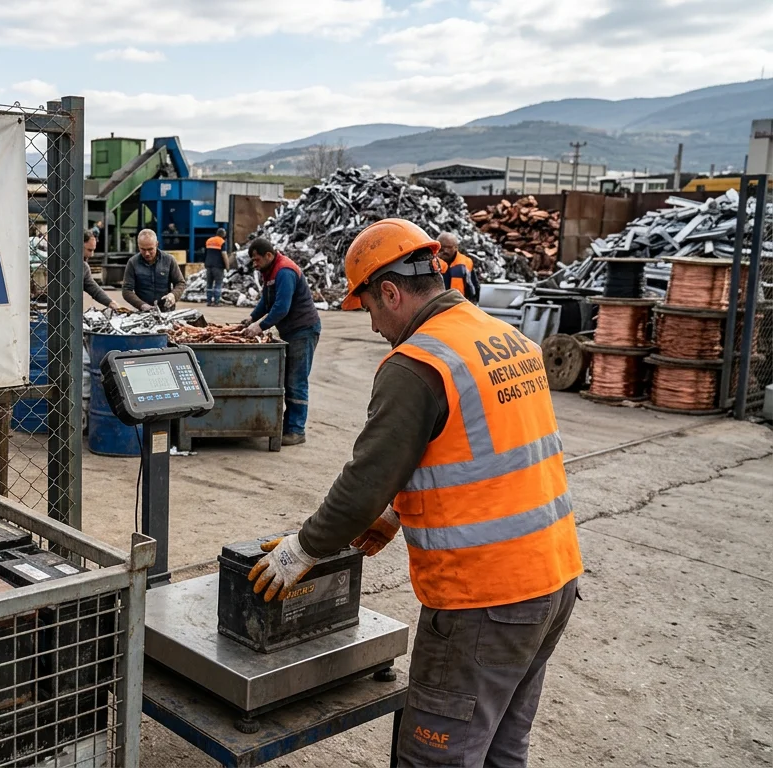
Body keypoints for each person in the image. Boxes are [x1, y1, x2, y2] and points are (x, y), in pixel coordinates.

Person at [248, 219, 581, 767]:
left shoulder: (417, 362)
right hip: (552, 581)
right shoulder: (503, 337)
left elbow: (363, 481)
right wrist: (397, 513)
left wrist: (302, 549)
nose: (375, 326)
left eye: (371, 310)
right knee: (501, 750)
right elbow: (474, 450)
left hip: (484, 600)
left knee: (437, 758)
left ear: (391, 292)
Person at [241, 237, 321, 445]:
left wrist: (259, 327)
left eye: (257, 260)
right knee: (287, 380)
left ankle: (296, 430)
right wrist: (251, 318)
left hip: (303, 331)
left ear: (269, 255)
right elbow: (267, 302)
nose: (255, 265)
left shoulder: (284, 271)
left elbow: (281, 307)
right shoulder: (271, 272)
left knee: (296, 381)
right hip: (292, 332)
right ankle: (287, 426)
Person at [122, 229, 184, 311]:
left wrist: (173, 295)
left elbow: (180, 283)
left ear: (157, 244)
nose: (147, 253)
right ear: (138, 246)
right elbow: (126, 290)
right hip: (143, 313)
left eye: (150, 249)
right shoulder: (133, 263)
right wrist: (141, 305)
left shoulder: (169, 260)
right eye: (143, 249)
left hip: (167, 311)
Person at [82, 231, 126, 312]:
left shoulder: (83, 267)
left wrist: (110, 302)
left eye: (93, 250)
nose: (92, 255)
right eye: (89, 250)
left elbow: (92, 287)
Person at [438, 232, 479, 304]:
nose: (446, 251)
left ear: (456, 247)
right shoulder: (432, 262)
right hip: (437, 306)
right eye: (443, 247)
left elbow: (473, 287)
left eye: (449, 247)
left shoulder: (465, 263)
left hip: (458, 306)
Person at [203, 228, 227, 306]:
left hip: (208, 265)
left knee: (209, 284)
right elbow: (224, 255)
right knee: (218, 284)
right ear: (223, 234)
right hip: (218, 266)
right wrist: (227, 265)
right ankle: (216, 302)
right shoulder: (222, 242)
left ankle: (209, 301)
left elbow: (205, 253)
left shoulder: (209, 240)